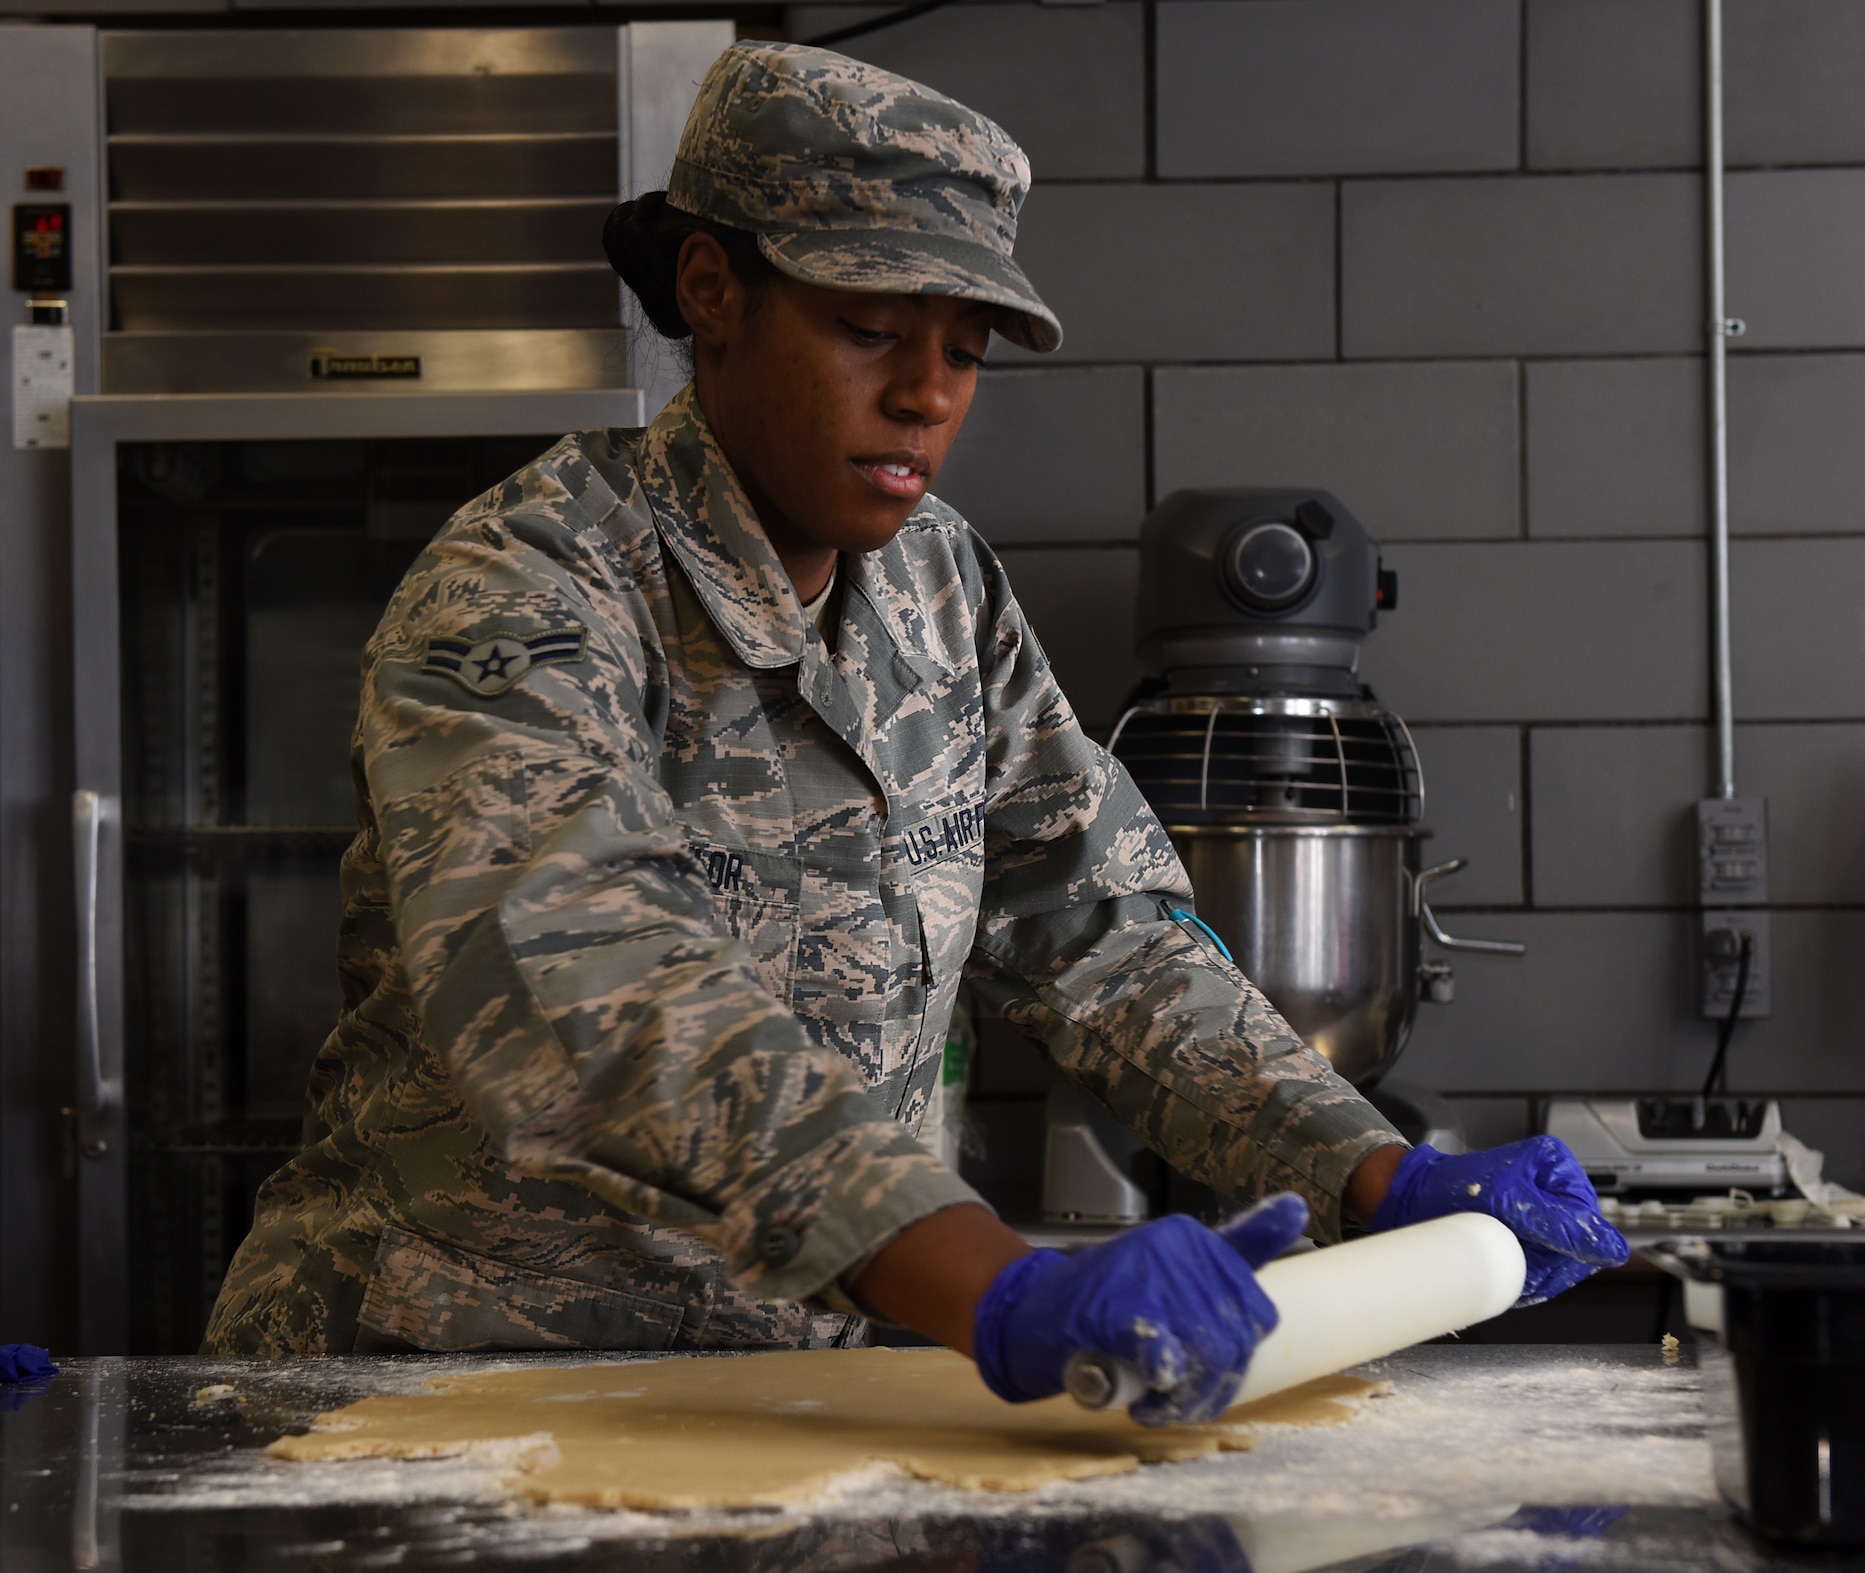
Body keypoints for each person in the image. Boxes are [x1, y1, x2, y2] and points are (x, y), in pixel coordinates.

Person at [203, 40, 1627, 1420]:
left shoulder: (940, 588)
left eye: (965, 349)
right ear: (714, 291)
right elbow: (598, 991)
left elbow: (1100, 933)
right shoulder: (527, 589)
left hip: (773, 1390)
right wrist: (992, 1284)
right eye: (872, 329)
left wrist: (1371, 1177)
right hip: (442, 1383)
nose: (926, 394)